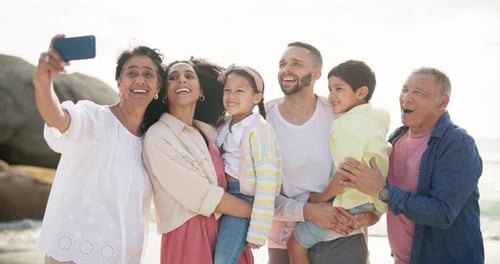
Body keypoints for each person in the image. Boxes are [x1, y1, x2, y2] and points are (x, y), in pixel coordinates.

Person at [34, 35, 164, 263]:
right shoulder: (95, 118)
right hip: (72, 254)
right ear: (119, 82)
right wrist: (44, 83)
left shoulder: (151, 141)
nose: (140, 80)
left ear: (157, 86)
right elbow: (58, 119)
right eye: (132, 73)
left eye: (148, 74)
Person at [339, 67, 484, 263]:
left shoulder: (457, 144)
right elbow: (393, 195)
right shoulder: (396, 139)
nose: (406, 98)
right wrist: (374, 213)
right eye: (405, 90)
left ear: (442, 102)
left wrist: (381, 190)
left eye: (418, 93)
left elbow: (441, 213)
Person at [265, 42, 380, 264]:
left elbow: (372, 159)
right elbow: (260, 194)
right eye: (282, 64)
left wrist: (375, 213)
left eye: (296, 64)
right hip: (284, 238)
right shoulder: (264, 117)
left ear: (316, 73)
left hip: (342, 234)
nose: (287, 69)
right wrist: (310, 211)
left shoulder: (339, 113)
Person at [142, 58, 254, 264]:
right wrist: (260, 214)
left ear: (200, 91)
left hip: (229, 232)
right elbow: (202, 196)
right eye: (173, 78)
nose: (181, 80)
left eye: (188, 76)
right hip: (189, 238)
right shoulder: (158, 136)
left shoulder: (210, 132)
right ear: (165, 93)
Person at [287, 60, 392, 264]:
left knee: (295, 242)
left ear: (361, 92)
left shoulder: (346, 126)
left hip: (347, 207)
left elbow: (346, 174)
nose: (331, 96)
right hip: (369, 204)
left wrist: (319, 198)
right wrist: (378, 212)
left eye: (339, 89)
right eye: (329, 89)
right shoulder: (376, 118)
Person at [213, 64, 282, 264]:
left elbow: (267, 181)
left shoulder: (259, 129)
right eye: (227, 90)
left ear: (257, 98)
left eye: (239, 91)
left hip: (245, 198)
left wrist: (258, 230)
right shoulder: (224, 125)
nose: (231, 95)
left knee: (223, 259)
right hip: (224, 195)